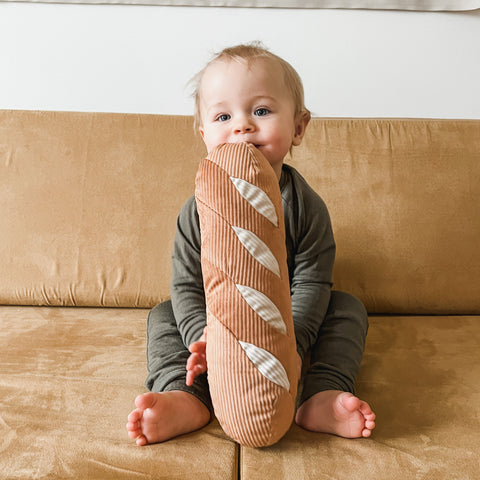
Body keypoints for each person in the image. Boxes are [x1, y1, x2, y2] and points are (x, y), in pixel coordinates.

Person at [126, 43, 376, 446]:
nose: (242, 126)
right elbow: (187, 284)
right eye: (224, 116)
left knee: (347, 307)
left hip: (288, 331)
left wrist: (290, 341)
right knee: (163, 313)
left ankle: (320, 394)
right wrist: (201, 336)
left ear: (298, 126)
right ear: (205, 135)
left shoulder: (307, 208)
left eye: (261, 111)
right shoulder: (197, 210)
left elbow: (311, 284)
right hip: (219, 325)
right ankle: (185, 394)